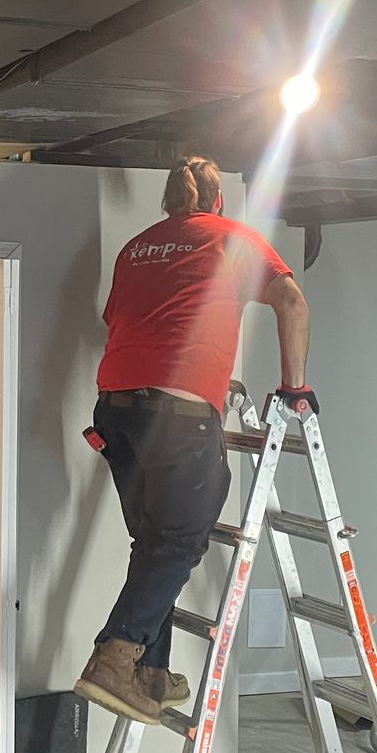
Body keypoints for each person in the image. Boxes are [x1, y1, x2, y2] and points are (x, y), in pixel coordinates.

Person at [75, 155, 313, 724]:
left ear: (167, 201)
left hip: (116, 411)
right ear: (217, 200)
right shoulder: (231, 237)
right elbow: (292, 302)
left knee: (154, 542)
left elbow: (133, 321)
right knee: (180, 542)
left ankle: (149, 673)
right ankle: (113, 659)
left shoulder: (136, 247)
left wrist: (200, 370)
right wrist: (294, 387)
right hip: (179, 415)